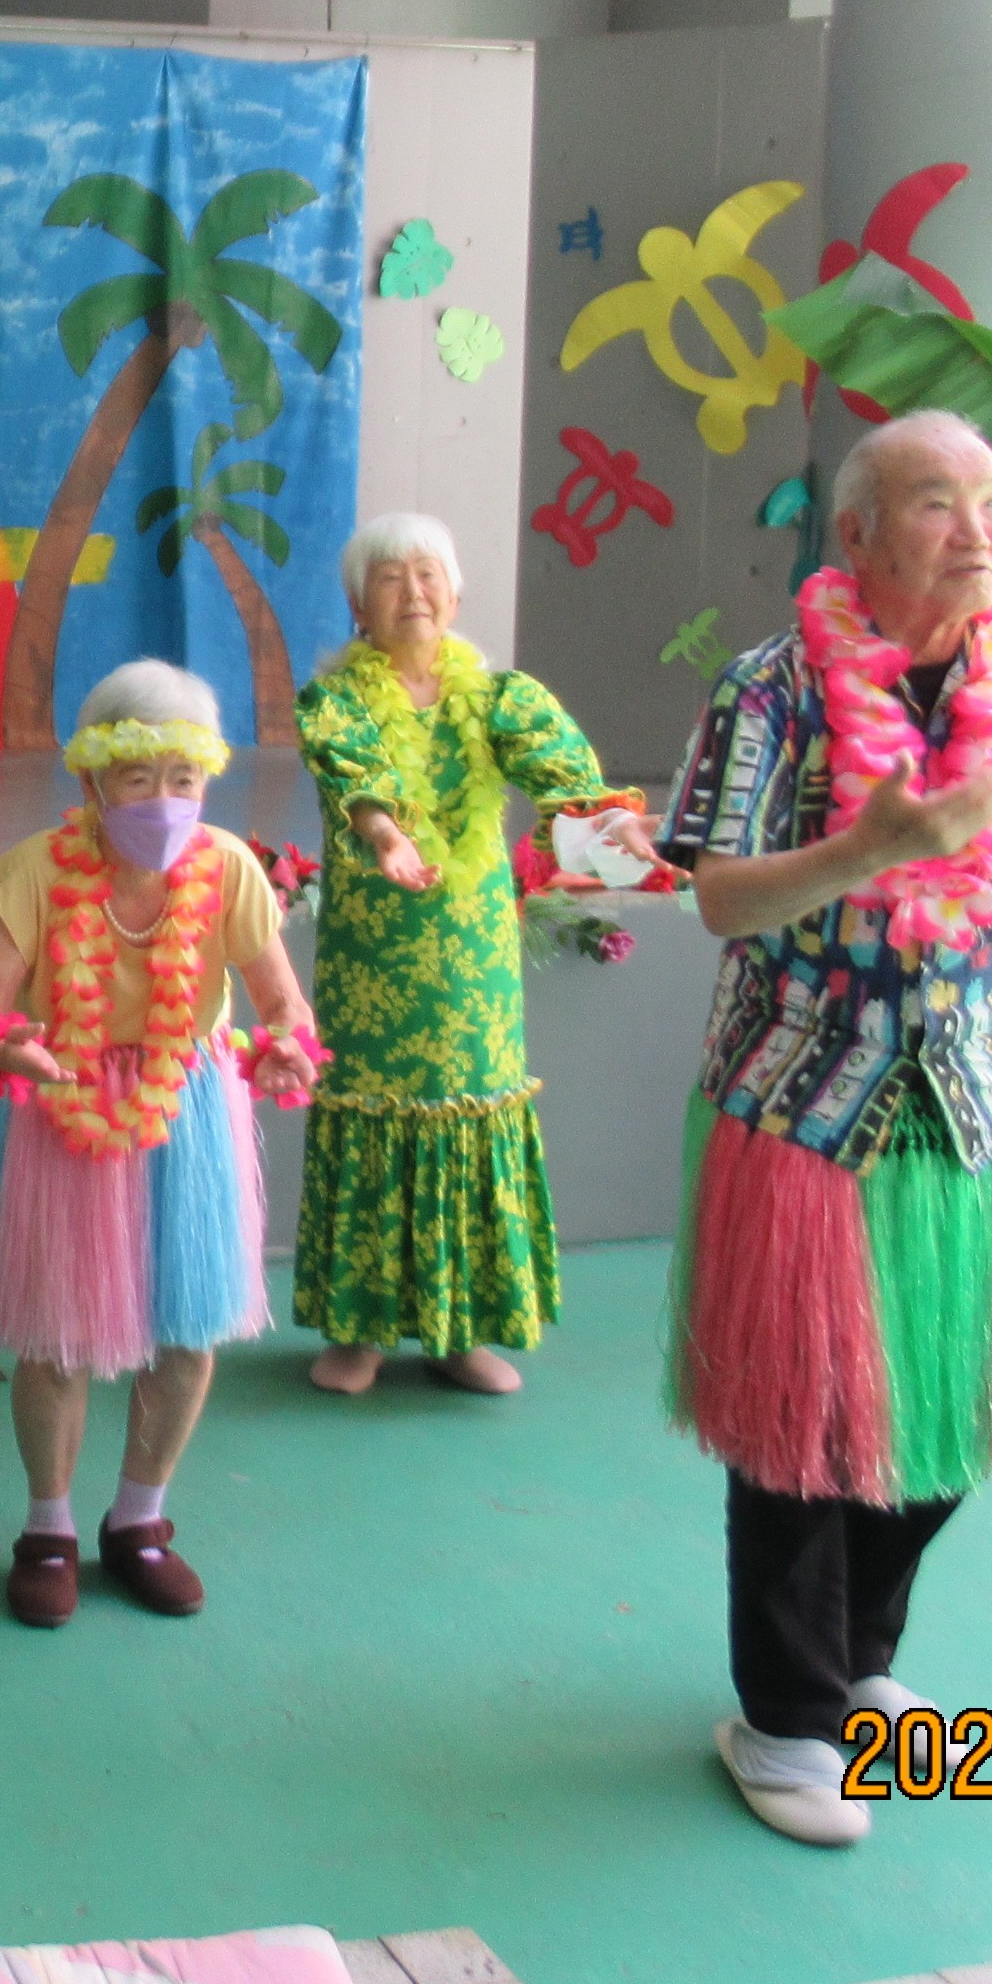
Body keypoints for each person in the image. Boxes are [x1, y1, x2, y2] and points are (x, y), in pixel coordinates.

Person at [658, 414, 992, 1848]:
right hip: (804, 1099)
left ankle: (859, 1661)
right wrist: (869, 850)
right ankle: (785, 1720)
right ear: (855, 536)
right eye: (936, 503)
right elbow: (720, 897)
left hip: (980, 1101)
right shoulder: (772, 688)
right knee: (804, 1424)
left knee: (953, 1411)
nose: (978, 528)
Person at [0, 661, 321, 1631]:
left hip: (185, 1106)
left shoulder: (228, 869)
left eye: (183, 778)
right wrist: (10, 1048)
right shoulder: (33, 872)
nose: (164, 800)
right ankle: (49, 1530)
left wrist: (287, 1043)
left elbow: (283, 1002)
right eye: (139, 777)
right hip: (60, 1105)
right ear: (91, 781)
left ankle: (139, 1521)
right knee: (59, 1337)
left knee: (189, 1330)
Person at [289, 512, 656, 1399]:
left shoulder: (500, 700)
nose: (412, 592)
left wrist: (618, 830)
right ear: (357, 605)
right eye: (389, 578)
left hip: (472, 953)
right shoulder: (335, 702)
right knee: (375, 1114)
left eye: (429, 576)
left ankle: (461, 1331)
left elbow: (567, 779)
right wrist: (386, 836)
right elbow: (356, 782)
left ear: (454, 597)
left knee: (470, 1107)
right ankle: (359, 1332)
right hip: (374, 953)